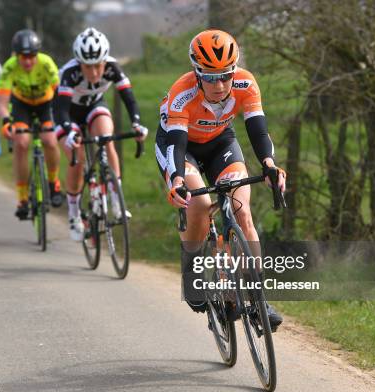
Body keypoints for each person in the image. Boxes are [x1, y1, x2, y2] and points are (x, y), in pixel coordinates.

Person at [154, 30, 286, 330]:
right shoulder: (182, 92)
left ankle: (257, 296)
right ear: (196, 73)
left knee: (242, 209)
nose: (220, 84)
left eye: (225, 75)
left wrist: (269, 165)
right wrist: (176, 178)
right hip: (181, 147)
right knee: (198, 204)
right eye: (210, 77)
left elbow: (257, 129)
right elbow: (175, 141)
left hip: (220, 143)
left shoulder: (245, 83)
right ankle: (191, 272)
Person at [54, 27, 148, 241]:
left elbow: (129, 99)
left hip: (94, 106)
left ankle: (116, 199)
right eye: (88, 67)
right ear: (80, 63)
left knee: (107, 138)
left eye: (99, 65)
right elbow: (60, 110)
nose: (95, 73)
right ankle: (74, 214)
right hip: (67, 113)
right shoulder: (70, 73)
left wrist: (136, 124)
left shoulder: (113, 68)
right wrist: (69, 131)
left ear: (105, 60)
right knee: (76, 160)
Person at [0, 29, 64, 220]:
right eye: (23, 57)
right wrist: (5, 121)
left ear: (37, 54)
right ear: (15, 55)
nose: (27, 61)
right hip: (21, 105)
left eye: (31, 56)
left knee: (50, 140)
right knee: (21, 143)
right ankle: (22, 197)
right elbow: (1, 101)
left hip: (46, 104)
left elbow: (59, 93)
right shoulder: (9, 67)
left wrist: (62, 117)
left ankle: (53, 183)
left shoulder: (46, 63)